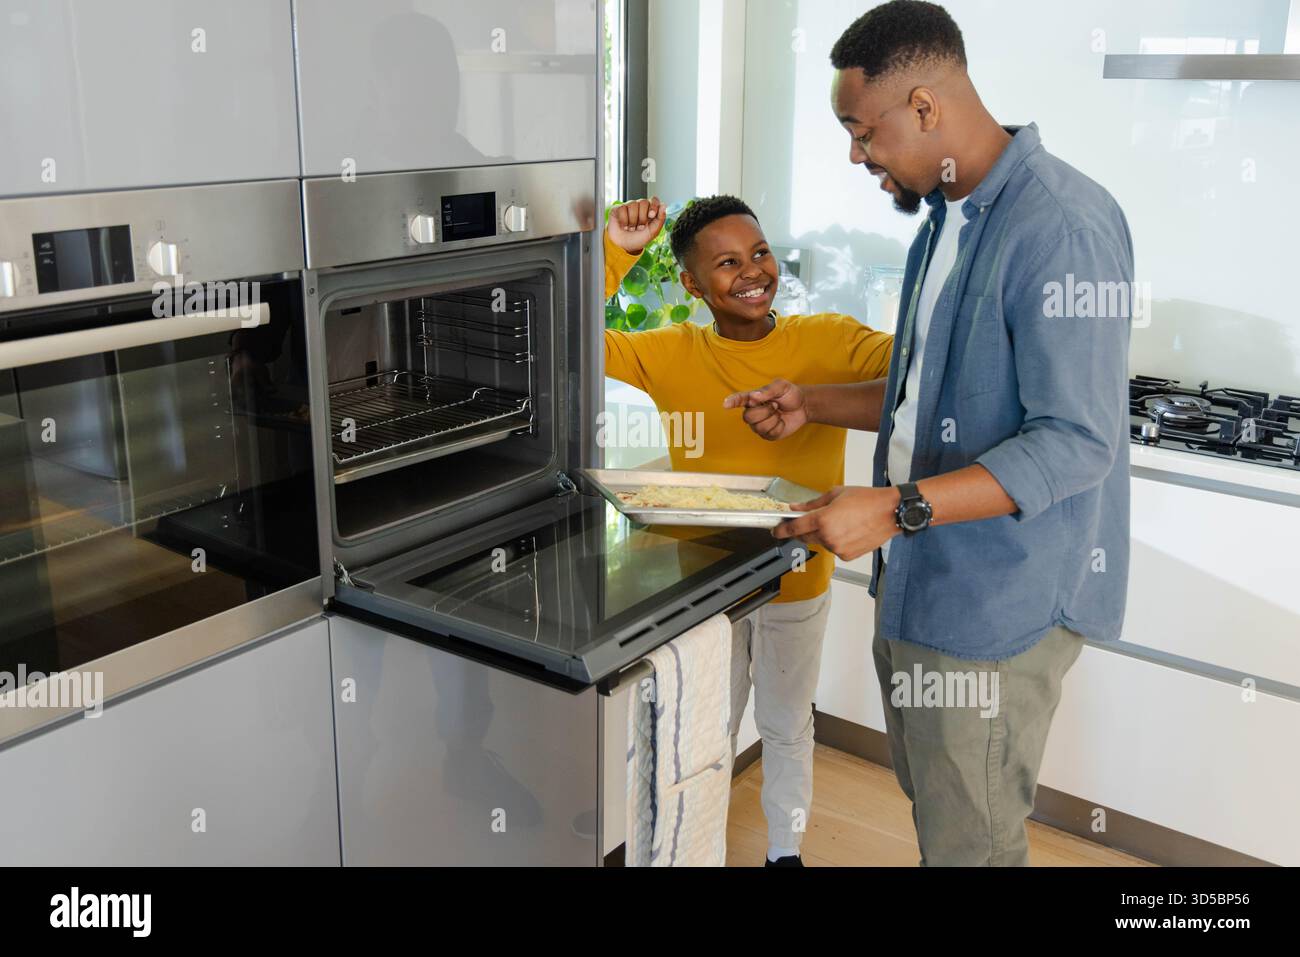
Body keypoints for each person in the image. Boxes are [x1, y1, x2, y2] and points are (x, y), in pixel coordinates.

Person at [727, 0, 1133, 866]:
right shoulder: (948, 218)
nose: (854, 154)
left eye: (860, 130)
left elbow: (1075, 441)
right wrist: (814, 402)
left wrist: (895, 509)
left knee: (972, 844)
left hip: (995, 604)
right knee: (943, 814)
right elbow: (931, 397)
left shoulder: (1060, 226)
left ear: (924, 108)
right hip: (919, 581)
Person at [603, 196, 892, 866]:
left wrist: (821, 403)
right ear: (693, 285)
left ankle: (783, 852)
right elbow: (572, 333)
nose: (752, 271)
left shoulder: (827, 339)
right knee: (700, 731)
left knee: (786, 723)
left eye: (759, 252)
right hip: (703, 589)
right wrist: (616, 251)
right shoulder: (668, 352)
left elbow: (919, 373)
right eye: (727, 262)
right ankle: (688, 848)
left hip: (798, 580)